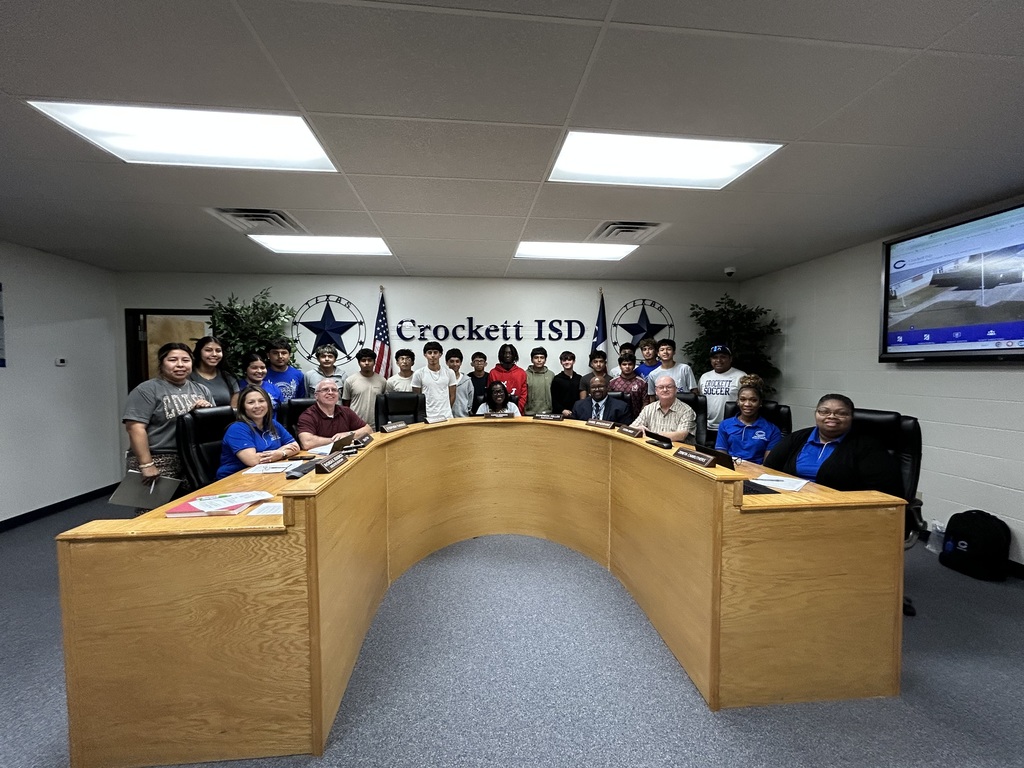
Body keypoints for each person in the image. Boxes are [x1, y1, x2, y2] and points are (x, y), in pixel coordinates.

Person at [764, 394, 902, 496]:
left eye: (841, 413)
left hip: (840, 509)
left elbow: (884, 491)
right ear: (816, 414)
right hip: (790, 501)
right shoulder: (797, 438)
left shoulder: (867, 447)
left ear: (851, 417)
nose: (831, 416)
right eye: (824, 412)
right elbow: (769, 470)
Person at [123, 342, 213, 489]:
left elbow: (211, 428)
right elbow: (135, 428)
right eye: (172, 360)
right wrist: (146, 464)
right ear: (161, 363)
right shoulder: (147, 390)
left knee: (192, 501)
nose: (180, 365)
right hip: (158, 456)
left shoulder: (202, 390)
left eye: (186, 360)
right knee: (154, 503)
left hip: (191, 455)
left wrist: (200, 413)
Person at [216, 386, 300, 479]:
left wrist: (281, 454)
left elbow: (296, 447)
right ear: (243, 407)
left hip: (263, 475)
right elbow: (253, 460)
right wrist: (279, 452)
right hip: (233, 479)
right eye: (251, 402)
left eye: (261, 401)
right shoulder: (237, 429)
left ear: (268, 403)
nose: (257, 406)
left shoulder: (273, 424)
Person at [715, 375, 781, 464]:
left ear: (760, 402)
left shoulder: (772, 430)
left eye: (753, 400)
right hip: (731, 468)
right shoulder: (725, 425)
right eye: (742, 399)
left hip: (757, 470)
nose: (747, 404)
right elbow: (721, 454)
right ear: (738, 402)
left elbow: (768, 464)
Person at [295, 379, 372, 449]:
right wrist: (337, 441)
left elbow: (368, 430)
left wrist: (348, 434)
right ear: (316, 396)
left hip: (346, 454)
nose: (330, 392)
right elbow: (307, 443)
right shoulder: (308, 416)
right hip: (320, 457)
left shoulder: (346, 411)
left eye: (334, 390)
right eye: (325, 390)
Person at [631, 375, 696, 443]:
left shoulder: (686, 411)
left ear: (676, 390)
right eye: (661, 387)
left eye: (669, 387)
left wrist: (652, 435)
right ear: (656, 391)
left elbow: (681, 435)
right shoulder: (648, 409)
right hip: (651, 447)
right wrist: (637, 429)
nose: (665, 390)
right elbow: (630, 428)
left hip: (674, 448)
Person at [699, 344, 746, 433]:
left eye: (723, 357)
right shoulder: (704, 377)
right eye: (715, 357)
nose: (718, 360)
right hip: (707, 427)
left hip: (732, 427)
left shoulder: (741, 376)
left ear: (730, 359)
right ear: (711, 360)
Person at [189, 336, 239, 408]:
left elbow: (234, 409)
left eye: (218, 351)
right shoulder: (188, 376)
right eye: (208, 350)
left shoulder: (228, 378)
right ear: (199, 352)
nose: (214, 354)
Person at [411, 341, 457, 420]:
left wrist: (447, 410)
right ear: (425, 355)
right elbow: (417, 397)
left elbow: (452, 395)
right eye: (430, 353)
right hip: (428, 416)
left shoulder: (450, 372)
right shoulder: (418, 373)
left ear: (440, 354)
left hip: (447, 416)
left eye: (435, 352)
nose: (432, 355)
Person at [342, 348, 387, 427]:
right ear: (359, 362)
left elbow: (384, 404)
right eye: (363, 360)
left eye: (370, 360)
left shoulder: (382, 380)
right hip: (355, 424)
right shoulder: (350, 380)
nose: (366, 363)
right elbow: (346, 404)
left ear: (374, 362)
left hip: (375, 424)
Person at [488, 343, 527, 413]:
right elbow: (490, 394)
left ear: (514, 355)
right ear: (501, 355)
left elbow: (523, 395)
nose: (507, 355)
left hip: (517, 412)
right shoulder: (493, 373)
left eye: (510, 353)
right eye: (505, 353)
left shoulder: (521, 373)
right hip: (496, 412)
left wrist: (516, 411)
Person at [608, 352, 646, 422]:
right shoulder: (612, 382)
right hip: (616, 419)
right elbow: (609, 402)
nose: (627, 367)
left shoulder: (642, 383)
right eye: (624, 364)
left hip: (636, 419)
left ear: (634, 365)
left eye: (630, 364)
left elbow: (645, 403)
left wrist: (641, 419)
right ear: (620, 366)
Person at [264, 337, 305, 402]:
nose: (280, 356)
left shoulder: (298, 375)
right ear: (268, 355)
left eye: (284, 353)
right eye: (275, 353)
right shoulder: (262, 375)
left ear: (290, 355)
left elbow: (301, 400)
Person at [550, 350, 582, 417]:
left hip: (576, 413)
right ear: (561, 362)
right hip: (560, 414)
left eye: (569, 360)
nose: (567, 362)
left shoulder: (579, 378)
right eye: (564, 360)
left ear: (574, 361)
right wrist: (562, 410)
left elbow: (581, 398)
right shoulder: (557, 379)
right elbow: (553, 399)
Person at [524, 346, 554, 415]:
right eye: (536, 357)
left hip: (548, 413)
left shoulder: (551, 375)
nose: (539, 360)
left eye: (542, 358)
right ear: (531, 360)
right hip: (529, 413)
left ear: (545, 360)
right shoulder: (525, 375)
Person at [446, 348, 475, 418]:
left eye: (457, 361)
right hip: (447, 417)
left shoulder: (467, 380)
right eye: (452, 361)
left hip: (463, 417)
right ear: (447, 363)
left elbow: (470, 400)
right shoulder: (443, 380)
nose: (455, 364)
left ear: (461, 363)